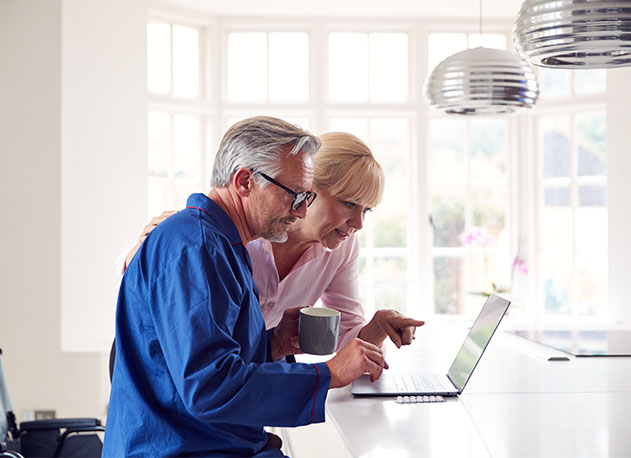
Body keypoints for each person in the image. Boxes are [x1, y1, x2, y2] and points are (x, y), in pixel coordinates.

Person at [103, 117, 388, 457]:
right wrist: (327, 374)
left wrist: (275, 343)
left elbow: (218, 359)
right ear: (244, 182)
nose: (300, 212)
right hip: (182, 448)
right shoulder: (198, 247)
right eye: (295, 196)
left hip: (212, 441)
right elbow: (209, 388)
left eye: (306, 197)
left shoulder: (223, 245)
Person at [124, 132, 424, 352]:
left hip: (249, 363)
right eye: (348, 204)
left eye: (366, 210)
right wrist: (147, 248)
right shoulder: (240, 229)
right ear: (308, 187)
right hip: (176, 362)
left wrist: (378, 327)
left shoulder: (341, 247)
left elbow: (340, 338)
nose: (358, 224)